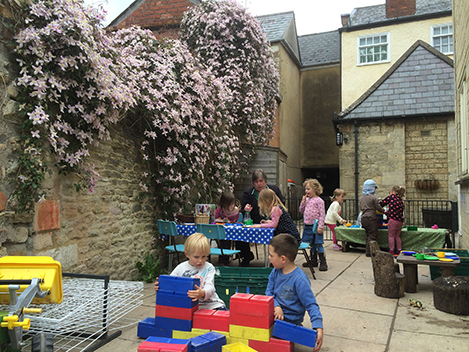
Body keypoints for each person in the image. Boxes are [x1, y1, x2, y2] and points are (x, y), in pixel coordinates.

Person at [265, 234, 324, 352]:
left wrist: (318, 326)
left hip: (289, 322)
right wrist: (276, 306)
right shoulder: (275, 272)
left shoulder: (300, 279)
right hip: (273, 316)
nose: (268, 257)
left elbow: (311, 304)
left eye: (271, 255)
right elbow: (268, 292)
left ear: (283, 259)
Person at [154, 233, 226, 310]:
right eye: (196, 257)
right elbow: (170, 283)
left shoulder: (209, 267)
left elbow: (210, 287)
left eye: (204, 256)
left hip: (211, 304)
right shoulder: (181, 267)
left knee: (225, 317)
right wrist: (160, 286)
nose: (200, 260)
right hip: (188, 305)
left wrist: (202, 292)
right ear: (187, 254)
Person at [240, 169, 285, 266]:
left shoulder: (275, 190)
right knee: (241, 234)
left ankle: (275, 259)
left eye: (261, 181)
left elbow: (282, 205)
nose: (259, 184)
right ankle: (246, 256)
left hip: (273, 222)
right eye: (256, 182)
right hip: (255, 221)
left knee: (277, 236)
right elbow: (243, 210)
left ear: (265, 181)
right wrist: (246, 209)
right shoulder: (248, 193)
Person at [299, 179, 327, 271]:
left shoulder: (319, 201)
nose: (306, 191)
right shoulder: (306, 200)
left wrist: (320, 226)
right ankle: (313, 260)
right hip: (307, 225)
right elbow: (301, 211)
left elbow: (322, 214)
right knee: (311, 243)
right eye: (305, 189)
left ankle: (322, 261)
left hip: (315, 226)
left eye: (308, 189)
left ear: (315, 189)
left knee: (318, 243)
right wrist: (303, 202)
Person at [359, 179, 384, 257]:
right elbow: (378, 207)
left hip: (363, 218)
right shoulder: (373, 198)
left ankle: (367, 250)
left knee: (368, 235)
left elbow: (361, 208)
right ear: (372, 188)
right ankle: (370, 252)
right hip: (371, 218)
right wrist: (383, 210)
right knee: (373, 235)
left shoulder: (361, 198)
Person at [214, 191, 240, 265]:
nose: (232, 206)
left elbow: (237, 222)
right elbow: (215, 219)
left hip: (232, 232)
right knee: (222, 240)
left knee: (227, 241)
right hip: (221, 231)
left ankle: (226, 258)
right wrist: (219, 220)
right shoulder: (220, 210)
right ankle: (222, 258)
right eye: (230, 204)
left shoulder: (236, 211)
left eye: (233, 203)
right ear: (224, 204)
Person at [379, 185, 405, 256]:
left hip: (392, 220)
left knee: (391, 236)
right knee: (397, 236)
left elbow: (382, 203)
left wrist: (381, 209)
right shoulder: (400, 200)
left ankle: (392, 250)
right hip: (400, 221)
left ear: (393, 192)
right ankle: (399, 250)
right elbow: (397, 211)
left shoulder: (391, 197)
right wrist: (387, 213)